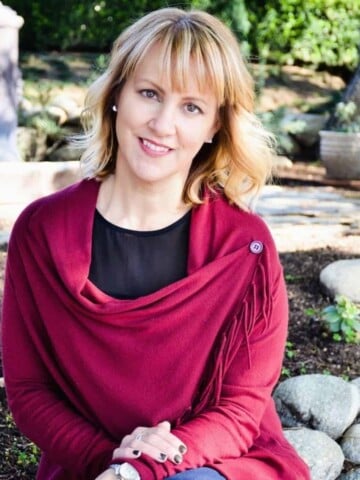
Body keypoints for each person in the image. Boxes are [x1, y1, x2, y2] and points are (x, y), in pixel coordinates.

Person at [1, 7, 310, 480]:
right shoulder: (41, 232)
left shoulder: (246, 247)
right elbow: (30, 390)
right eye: (150, 93)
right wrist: (111, 463)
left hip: (216, 464)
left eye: (192, 107)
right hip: (92, 465)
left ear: (214, 127)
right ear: (117, 97)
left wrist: (140, 470)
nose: (163, 124)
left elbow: (241, 407)